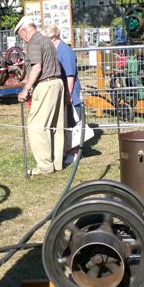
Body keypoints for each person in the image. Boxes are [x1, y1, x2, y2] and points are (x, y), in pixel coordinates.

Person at [15, 16, 66, 176]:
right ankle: (57, 163)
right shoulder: (47, 41)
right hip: (57, 83)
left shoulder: (34, 42)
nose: (22, 38)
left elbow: (37, 67)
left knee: (36, 127)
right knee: (56, 127)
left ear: (25, 31)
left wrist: (26, 89)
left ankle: (45, 166)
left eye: (20, 35)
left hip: (45, 85)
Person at [42, 24, 92, 165]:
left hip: (70, 91)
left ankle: (74, 152)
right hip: (62, 90)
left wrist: (69, 95)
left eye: (48, 39)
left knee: (73, 122)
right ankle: (67, 148)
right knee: (66, 121)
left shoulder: (65, 51)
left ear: (54, 37)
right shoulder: (56, 50)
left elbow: (70, 75)